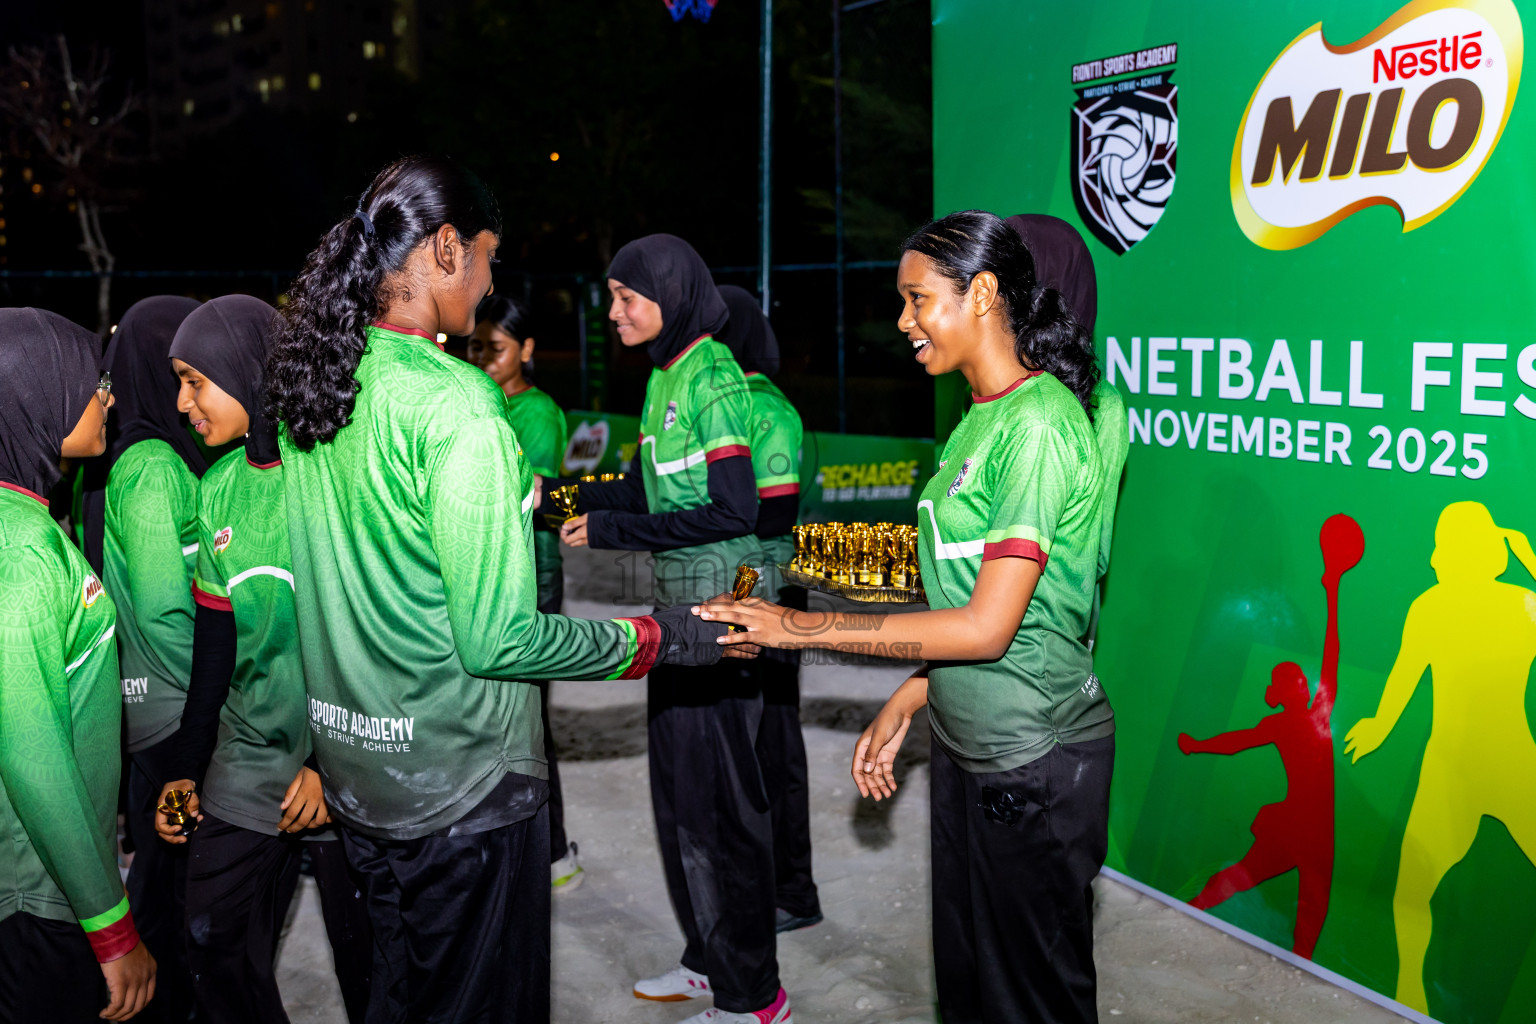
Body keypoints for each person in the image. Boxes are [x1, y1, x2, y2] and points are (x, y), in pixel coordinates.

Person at [263, 156, 733, 1023]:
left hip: (359, 776)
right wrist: (658, 637)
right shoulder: (457, 406)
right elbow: (500, 641)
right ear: (445, 249)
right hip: (460, 791)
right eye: (487, 257)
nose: (487, 285)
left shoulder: (314, 387)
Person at [697, 210, 1114, 1024]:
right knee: (967, 985)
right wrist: (912, 697)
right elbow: (968, 596)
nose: (903, 321)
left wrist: (801, 629)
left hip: (1030, 759)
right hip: (970, 745)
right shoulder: (980, 415)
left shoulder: (1036, 423)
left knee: (1028, 998)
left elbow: (990, 628)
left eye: (917, 298)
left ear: (984, 293)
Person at [553, 236, 789, 1024]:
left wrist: (615, 534)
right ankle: (707, 958)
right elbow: (646, 486)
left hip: (718, 614)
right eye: (611, 296)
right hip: (677, 613)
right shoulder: (664, 376)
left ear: (671, 294)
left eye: (627, 297)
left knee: (727, 808)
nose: (614, 311)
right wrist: (575, 501)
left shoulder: (714, 376)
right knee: (681, 800)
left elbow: (736, 509)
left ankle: (756, 997)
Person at [144, 295, 372, 1023]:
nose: (183, 404)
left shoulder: (331, 477)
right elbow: (217, 648)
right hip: (251, 751)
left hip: (346, 753)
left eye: (194, 381)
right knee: (211, 939)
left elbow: (368, 640)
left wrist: (330, 764)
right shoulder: (218, 489)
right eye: (179, 382)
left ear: (245, 374)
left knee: (369, 960)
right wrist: (185, 765)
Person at [0, 307, 157, 1023]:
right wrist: (111, 924)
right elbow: (34, 758)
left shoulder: (28, 517)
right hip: (38, 894)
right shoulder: (25, 554)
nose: (110, 396)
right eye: (92, 382)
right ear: (39, 393)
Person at [1345, 501, 1536, 1013]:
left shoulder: (1508, 605)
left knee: (1412, 887)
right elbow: (1405, 673)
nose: (1432, 560)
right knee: (1412, 884)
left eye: (1441, 547)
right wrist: (1380, 726)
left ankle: (1410, 986)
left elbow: (1404, 675)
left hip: (1490, 763)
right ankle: (1410, 988)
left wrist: (1382, 727)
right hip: (1467, 765)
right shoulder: (1511, 602)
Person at [101, 295, 207, 1023]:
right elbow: (168, 611)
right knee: (175, 887)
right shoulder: (148, 465)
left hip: (157, 708)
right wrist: (217, 699)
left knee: (170, 871)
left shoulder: (148, 455)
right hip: (172, 714)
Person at [713, 284, 821, 933]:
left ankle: (791, 890)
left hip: (768, 588)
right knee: (748, 742)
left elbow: (772, 515)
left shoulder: (764, 407)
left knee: (772, 743)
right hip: (750, 584)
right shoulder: (727, 405)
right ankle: (772, 883)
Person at [467, 294, 582, 891]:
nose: (485, 358)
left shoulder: (534, 412)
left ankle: (553, 849)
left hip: (530, 576)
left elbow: (516, 496)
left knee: (526, 719)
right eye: (476, 347)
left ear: (527, 351)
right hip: (494, 576)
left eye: (498, 348)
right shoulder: (483, 402)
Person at [1003, 214, 1126, 646]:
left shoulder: (1101, 406)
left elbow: (1091, 554)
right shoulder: (981, 389)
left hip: (1048, 639)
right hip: (970, 621)